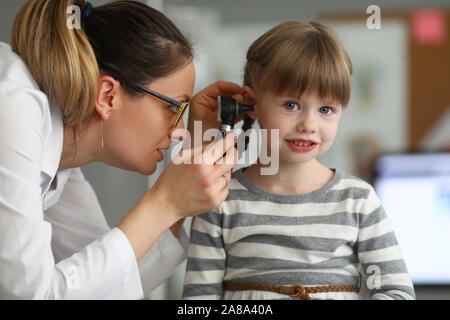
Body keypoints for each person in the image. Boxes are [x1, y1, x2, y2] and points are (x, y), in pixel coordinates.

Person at [0, 0, 242, 299]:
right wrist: (165, 201)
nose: (179, 130)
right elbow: (31, 294)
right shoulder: (13, 106)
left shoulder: (61, 156)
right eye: (172, 108)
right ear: (108, 96)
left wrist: (180, 194)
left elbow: (107, 281)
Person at [182, 20, 416, 300]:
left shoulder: (358, 199)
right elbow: (198, 300)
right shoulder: (219, 198)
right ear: (250, 103)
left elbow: (396, 291)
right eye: (291, 105)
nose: (309, 124)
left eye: (326, 109)